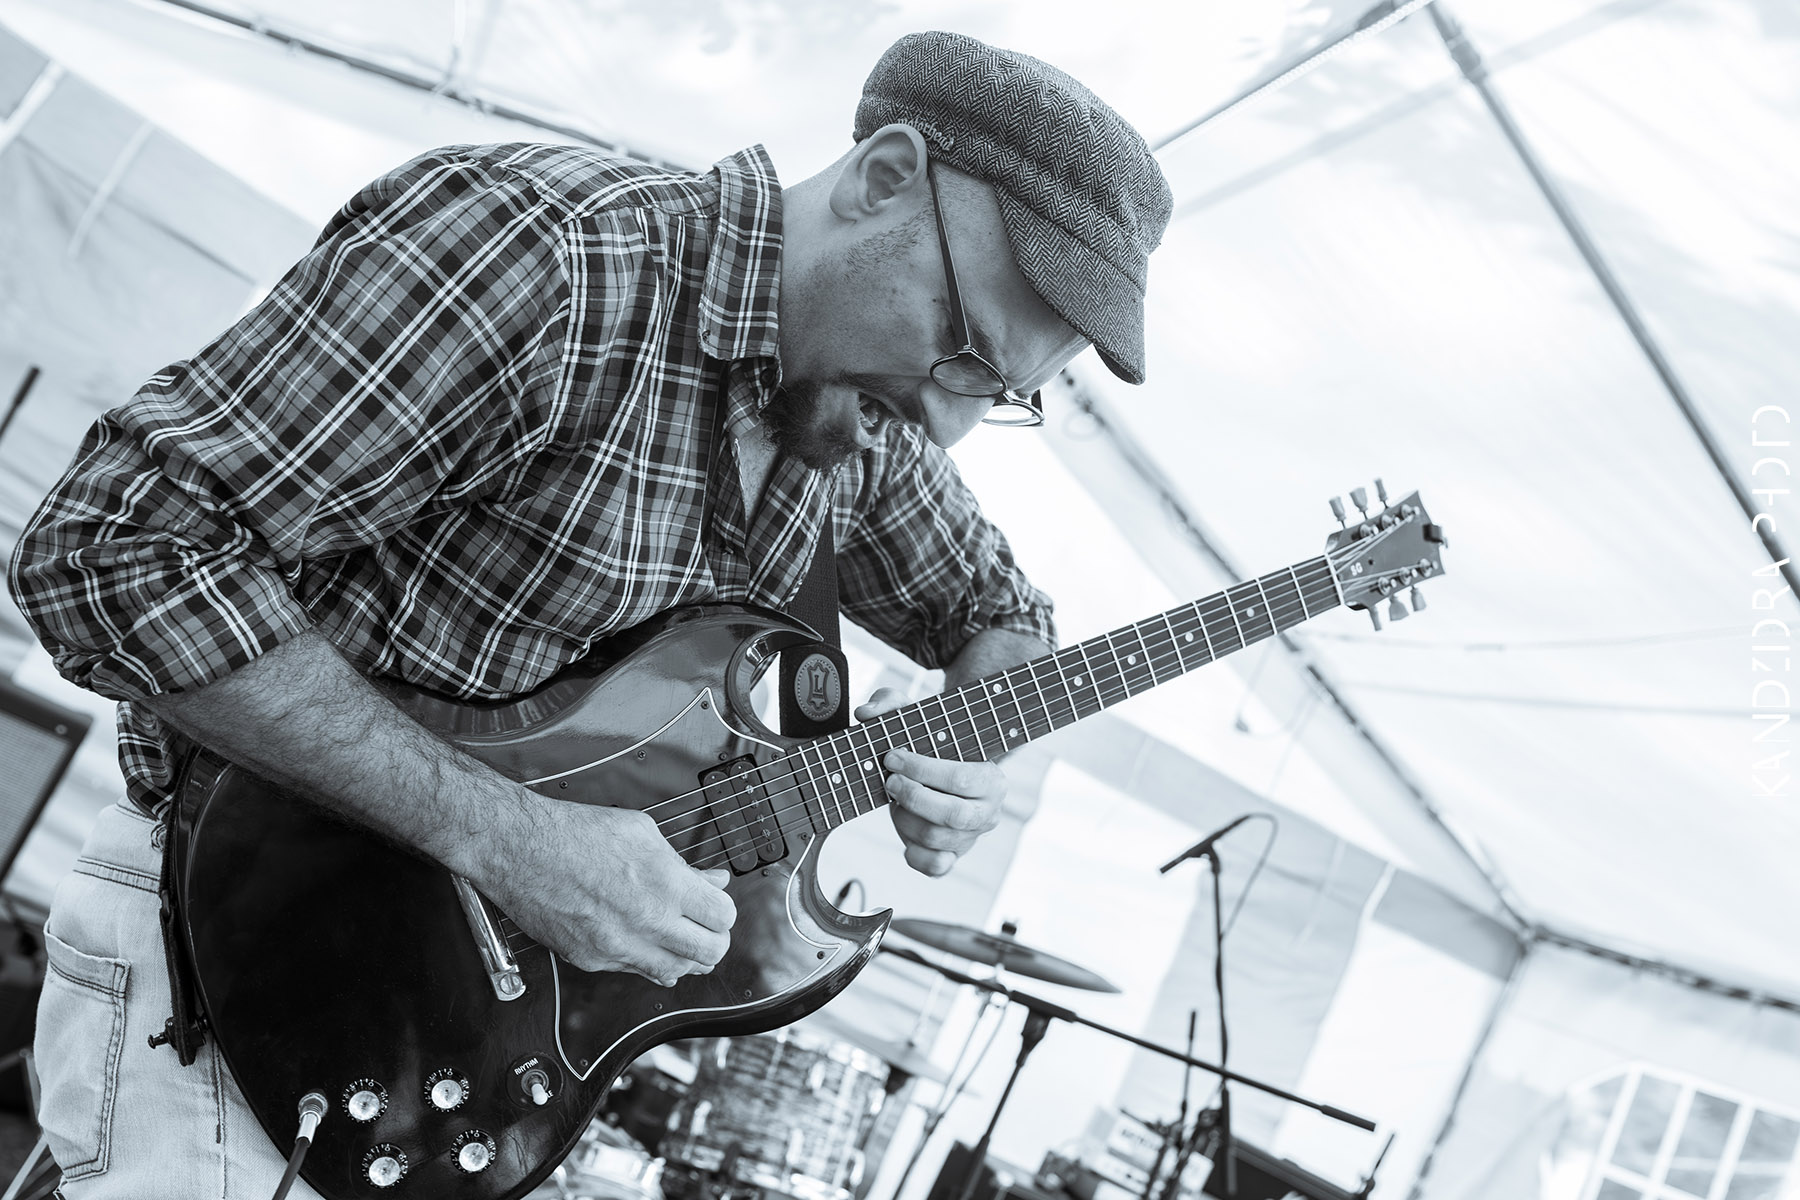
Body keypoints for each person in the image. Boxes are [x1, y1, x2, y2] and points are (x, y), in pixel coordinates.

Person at [7, 29, 1171, 1199]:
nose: (952, 425)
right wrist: (511, 840)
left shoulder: (859, 417)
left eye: (1000, 393)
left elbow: (996, 609)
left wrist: (972, 750)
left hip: (459, 1053)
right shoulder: (550, 259)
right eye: (961, 350)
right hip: (246, 966)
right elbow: (114, 552)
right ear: (884, 178)